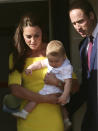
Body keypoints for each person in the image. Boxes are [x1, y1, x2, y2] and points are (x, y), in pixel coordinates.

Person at [8, 13, 65, 131]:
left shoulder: (55, 52)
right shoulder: (16, 57)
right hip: (27, 119)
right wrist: (44, 99)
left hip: (53, 120)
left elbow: (73, 85)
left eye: (36, 36)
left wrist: (58, 83)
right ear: (21, 35)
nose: (33, 40)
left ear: (42, 33)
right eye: (28, 36)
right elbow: (15, 89)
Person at [12, 40, 73, 129]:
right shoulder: (50, 60)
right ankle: (66, 120)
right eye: (50, 61)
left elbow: (69, 83)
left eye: (56, 61)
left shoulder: (66, 67)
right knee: (59, 106)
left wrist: (64, 95)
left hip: (59, 91)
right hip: (49, 89)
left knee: (37, 99)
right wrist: (30, 68)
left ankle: (24, 112)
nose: (53, 64)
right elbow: (40, 63)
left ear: (64, 58)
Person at [66, 0, 98, 131]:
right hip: (92, 117)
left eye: (80, 21)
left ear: (91, 16)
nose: (77, 27)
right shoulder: (83, 46)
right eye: (74, 23)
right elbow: (88, 85)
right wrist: (65, 109)